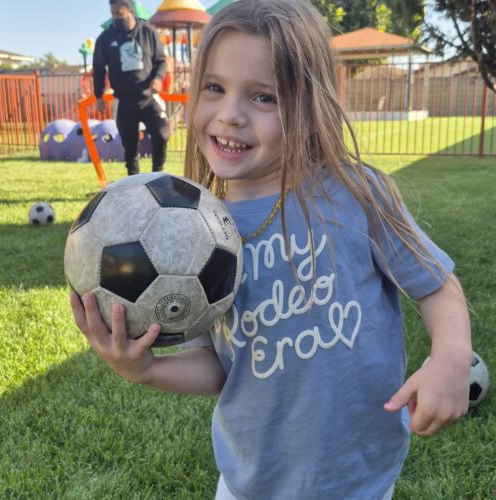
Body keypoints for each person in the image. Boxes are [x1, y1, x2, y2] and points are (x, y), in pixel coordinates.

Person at [71, 0, 473, 498]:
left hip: (359, 480)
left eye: (264, 97)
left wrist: (452, 354)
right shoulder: (193, 234)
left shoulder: (357, 193)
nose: (230, 115)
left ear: (310, 103)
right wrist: (146, 368)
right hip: (249, 482)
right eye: (214, 88)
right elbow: (218, 365)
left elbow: (436, 285)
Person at [93, 0, 170, 175]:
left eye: (119, 14)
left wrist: (158, 79)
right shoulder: (105, 38)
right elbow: (98, 69)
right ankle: (133, 180)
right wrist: (99, 96)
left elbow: (161, 61)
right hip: (124, 101)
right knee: (129, 145)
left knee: (160, 134)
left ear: (130, 12)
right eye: (113, 14)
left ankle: (158, 174)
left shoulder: (148, 32)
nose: (115, 18)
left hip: (149, 97)